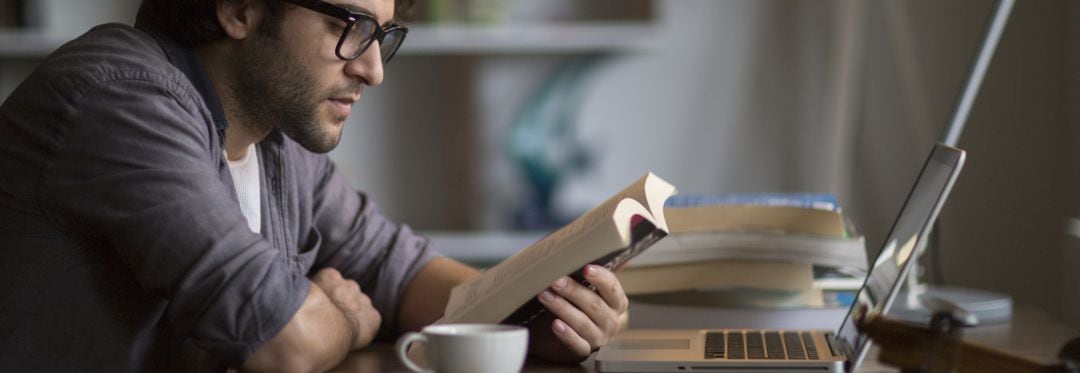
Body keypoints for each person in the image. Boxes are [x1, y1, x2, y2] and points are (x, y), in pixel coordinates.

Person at [0, 0, 629, 371]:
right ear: (240, 9)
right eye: (350, 25)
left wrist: (535, 317)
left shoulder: (274, 137)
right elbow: (284, 343)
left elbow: (398, 270)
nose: (373, 69)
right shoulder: (121, 98)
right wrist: (348, 323)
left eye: (383, 34)